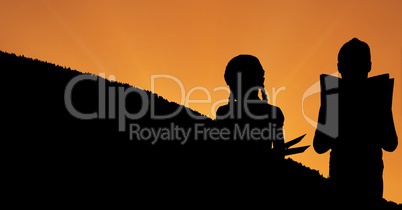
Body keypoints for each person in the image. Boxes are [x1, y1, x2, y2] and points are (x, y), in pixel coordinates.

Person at [313, 38, 398, 208]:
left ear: (339, 67)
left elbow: (319, 145)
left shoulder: (335, 99)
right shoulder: (376, 98)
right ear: (369, 66)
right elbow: (391, 143)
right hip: (360, 179)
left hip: (350, 178)